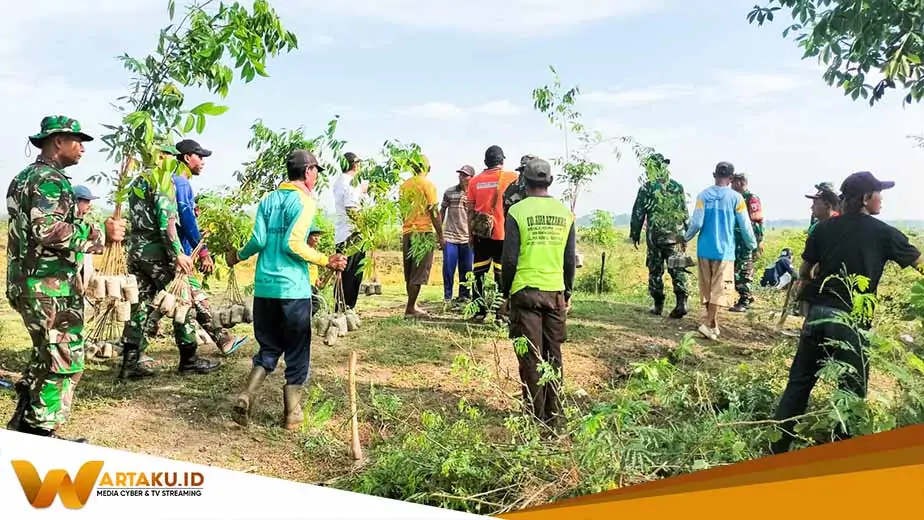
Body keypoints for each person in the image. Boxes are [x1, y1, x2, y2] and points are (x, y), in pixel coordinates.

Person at [769, 171, 924, 455]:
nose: (882, 199)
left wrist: (818, 272)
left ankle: (777, 446)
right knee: (851, 392)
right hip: (851, 321)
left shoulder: (824, 229)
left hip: (817, 315)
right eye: (879, 193)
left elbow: (804, 272)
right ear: (866, 199)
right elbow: (920, 264)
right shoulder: (884, 233)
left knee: (799, 384)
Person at [5, 115, 125, 441]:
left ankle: (22, 428)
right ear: (58, 141)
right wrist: (100, 234)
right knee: (64, 360)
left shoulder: (23, 177)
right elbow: (48, 231)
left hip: (29, 283)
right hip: (48, 286)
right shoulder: (49, 180)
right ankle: (41, 435)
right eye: (78, 141)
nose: (83, 149)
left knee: (44, 356)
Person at [227, 150, 347, 428]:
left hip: (265, 289)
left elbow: (257, 240)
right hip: (293, 289)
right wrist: (325, 260)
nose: (316, 176)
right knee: (296, 350)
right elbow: (292, 244)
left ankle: (247, 395)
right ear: (308, 172)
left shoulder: (268, 199)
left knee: (268, 346)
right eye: (316, 170)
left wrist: (237, 256)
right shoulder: (304, 201)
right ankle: (292, 414)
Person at [118, 143, 220, 380]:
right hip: (158, 253)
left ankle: (129, 363)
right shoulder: (163, 180)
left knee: (139, 306)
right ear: (162, 156)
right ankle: (189, 359)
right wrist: (177, 254)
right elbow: (167, 223)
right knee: (182, 300)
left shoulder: (137, 182)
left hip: (137, 251)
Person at [501, 158, 576, 429]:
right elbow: (569, 260)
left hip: (525, 292)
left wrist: (505, 293)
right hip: (555, 293)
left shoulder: (517, 212)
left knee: (531, 356)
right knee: (553, 355)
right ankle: (554, 415)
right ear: (550, 182)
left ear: (525, 182)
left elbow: (509, 259)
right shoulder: (565, 214)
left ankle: (535, 416)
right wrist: (567, 292)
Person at [168, 139, 248, 356]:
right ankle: (217, 343)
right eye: (199, 156)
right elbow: (186, 219)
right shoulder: (181, 183)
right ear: (186, 158)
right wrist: (203, 251)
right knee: (190, 298)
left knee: (185, 299)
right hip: (180, 255)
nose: (202, 162)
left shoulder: (171, 182)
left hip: (176, 252)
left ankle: (222, 340)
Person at [682, 161, 757, 340]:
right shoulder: (736, 198)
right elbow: (745, 226)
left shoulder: (703, 196)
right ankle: (708, 324)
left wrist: (685, 238)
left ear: (714, 175)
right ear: (730, 179)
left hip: (704, 249)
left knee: (708, 289)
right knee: (719, 290)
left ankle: (713, 324)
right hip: (724, 251)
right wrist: (752, 245)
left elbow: (697, 223)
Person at [629, 152, 690, 319]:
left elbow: (638, 213)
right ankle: (681, 302)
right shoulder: (677, 187)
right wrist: (686, 234)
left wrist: (635, 234)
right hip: (676, 236)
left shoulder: (647, 188)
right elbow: (683, 212)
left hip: (655, 237)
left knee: (655, 270)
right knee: (678, 269)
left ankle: (658, 304)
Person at [467, 145, 519, 322]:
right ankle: (500, 314)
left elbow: (470, 211)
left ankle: (479, 312)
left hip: (482, 234)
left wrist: (470, 235)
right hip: (504, 234)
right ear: (502, 161)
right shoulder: (512, 177)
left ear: (485, 162)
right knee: (501, 274)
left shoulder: (474, 182)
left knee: (479, 273)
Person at [398, 154, 444, 319]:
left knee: (410, 272)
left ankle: (412, 305)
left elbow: (402, 212)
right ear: (428, 168)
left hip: (407, 232)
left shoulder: (404, 186)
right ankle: (410, 308)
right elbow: (433, 211)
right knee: (419, 272)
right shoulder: (428, 185)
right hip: (423, 232)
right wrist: (440, 235)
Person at [332, 152, 368, 311]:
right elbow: (351, 209)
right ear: (355, 165)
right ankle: (346, 309)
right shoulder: (352, 182)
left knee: (344, 274)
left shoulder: (340, 181)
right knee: (352, 275)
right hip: (352, 234)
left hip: (341, 233)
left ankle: (341, 307)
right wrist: (365, 228)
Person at [440, 164, 476, 306]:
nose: (461, 177)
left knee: (466, 269)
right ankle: (447, 297)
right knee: (448, 269)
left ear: (471, 178)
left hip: (467, 238)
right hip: (450, 237)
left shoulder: (474, 194)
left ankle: (464, 296)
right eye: (460, 174)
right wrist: (439, 233)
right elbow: (442, 211)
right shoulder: (449, 192)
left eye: (465, 175)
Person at [729, 172, 764, 312]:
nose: (731, 185)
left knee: (744, 269)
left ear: (740, 182)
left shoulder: (751, 198)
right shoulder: (735, 198)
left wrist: (758, 242)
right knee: (735, 269)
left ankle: (745, 299)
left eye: (733, 182)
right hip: (735, 240)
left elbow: (757, 221)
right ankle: (745, 297)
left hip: (746, 241)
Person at [307, 224, 334, 317]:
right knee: (315, 305)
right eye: (314, 236)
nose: (317, 238)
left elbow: (312, 269)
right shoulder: (306, 252)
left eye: (318, 236)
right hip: (306, 285)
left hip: (312, 285)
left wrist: (317, 279)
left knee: (313, 305)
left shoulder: (313, 252)